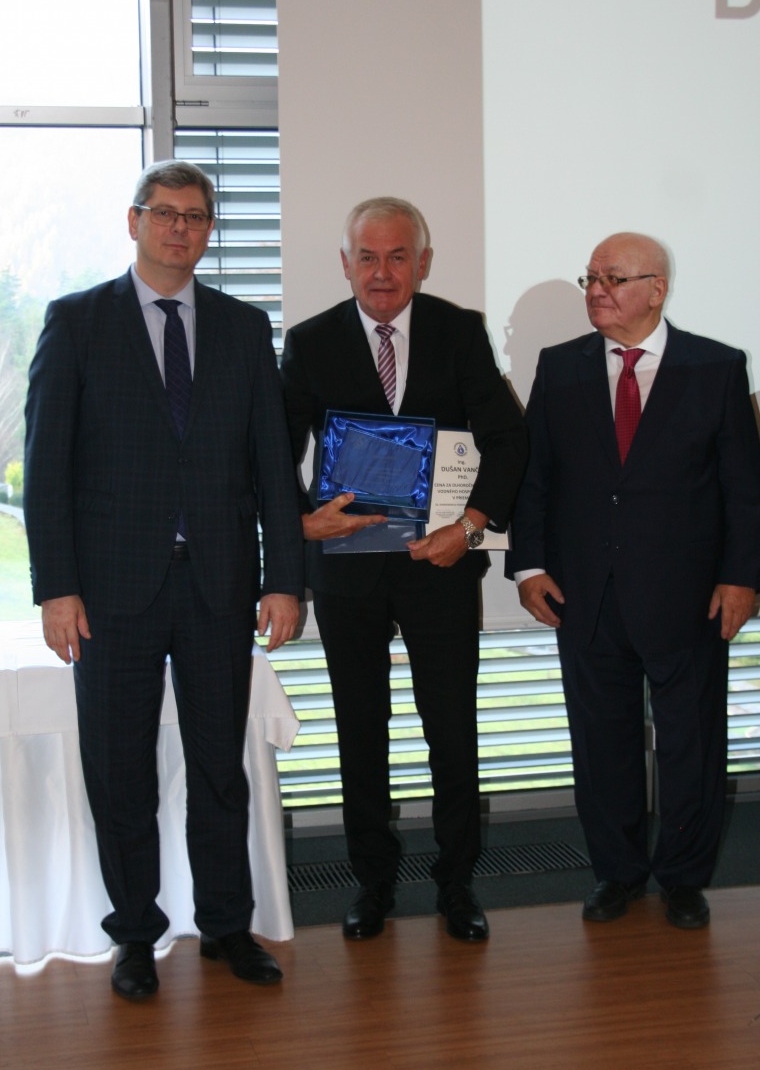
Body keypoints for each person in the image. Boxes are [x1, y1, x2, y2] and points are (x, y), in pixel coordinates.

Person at [24, 160, 304, 1000]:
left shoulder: (244, 328)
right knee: (121, 773)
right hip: (110, 595)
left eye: (196, 216)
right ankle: (135, 936)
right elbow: (46, 468)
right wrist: (56, 588)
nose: (181, 228)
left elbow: (272, 463)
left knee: (220, 768)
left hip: (219, 586)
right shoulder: (77, 322)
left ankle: (226, 926)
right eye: (166, 213)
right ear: (135, 221)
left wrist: (285, 580)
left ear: (209, 231)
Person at [280, 197, 527, 942]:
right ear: (345, 263)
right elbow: (273, 451)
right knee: (361, 731)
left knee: (451, 730)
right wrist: (301, 522)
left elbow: (507, 439)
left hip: (439, 566)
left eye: (397, 257)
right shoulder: (311, 341)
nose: (382, 273)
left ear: (422, 262)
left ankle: (457, 884)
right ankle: (373, 882)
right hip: (347, 574)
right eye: (367, 257)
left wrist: (471, 528)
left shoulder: (459, 331)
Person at [509, 232, 760, 929]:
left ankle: (683, 878)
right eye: (590, 278)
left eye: (612, 279)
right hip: (584, 593)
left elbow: (744, 490)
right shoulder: (560, 367)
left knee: (691, 743)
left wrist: (742, 577)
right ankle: (616, 873)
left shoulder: (716, 366)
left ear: (657, 289)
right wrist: (529, 567)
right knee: (601, 743)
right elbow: (535, 477)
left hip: (689, 596)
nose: (596, 290)